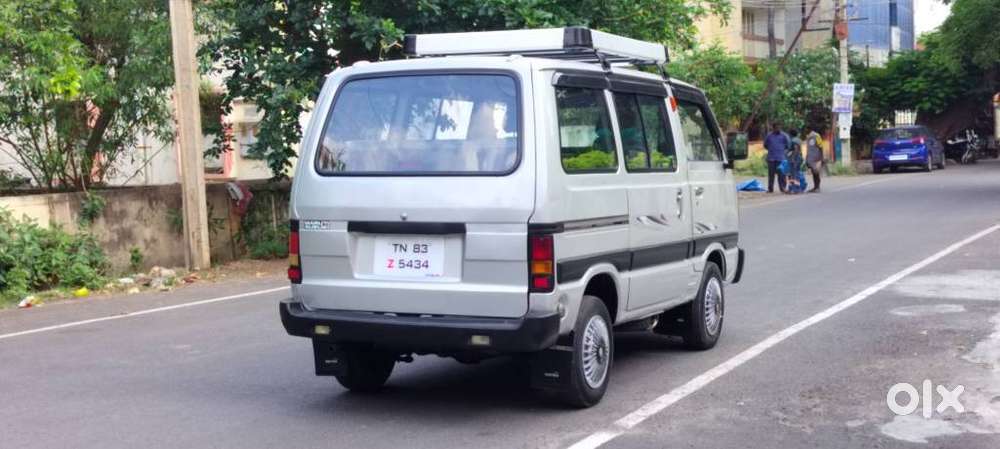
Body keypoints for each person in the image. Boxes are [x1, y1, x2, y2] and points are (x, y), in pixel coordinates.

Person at [763, 123, 789, 193]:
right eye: (777, 128)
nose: (778, 129)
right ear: (773, 128)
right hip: (771, 158)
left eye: (779, 127)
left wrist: (782, 151)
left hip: (781, 158)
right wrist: (771, 149)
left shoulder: (784, 136)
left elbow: (787, 145)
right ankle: (770, 189)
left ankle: (782, 188)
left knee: (782, 174)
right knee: (771, 175)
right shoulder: (769, 136)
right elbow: (765, 145)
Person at [805, 127, 824, 192]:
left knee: (816, 173)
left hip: (817, 158)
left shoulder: (816, 136)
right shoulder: (808, 137)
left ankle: (818, 187)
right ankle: (815, 187)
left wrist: (821, 158)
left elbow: (821, 147)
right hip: (811, 159)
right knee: (814, 173)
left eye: (806, 129)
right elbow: (809, 149)